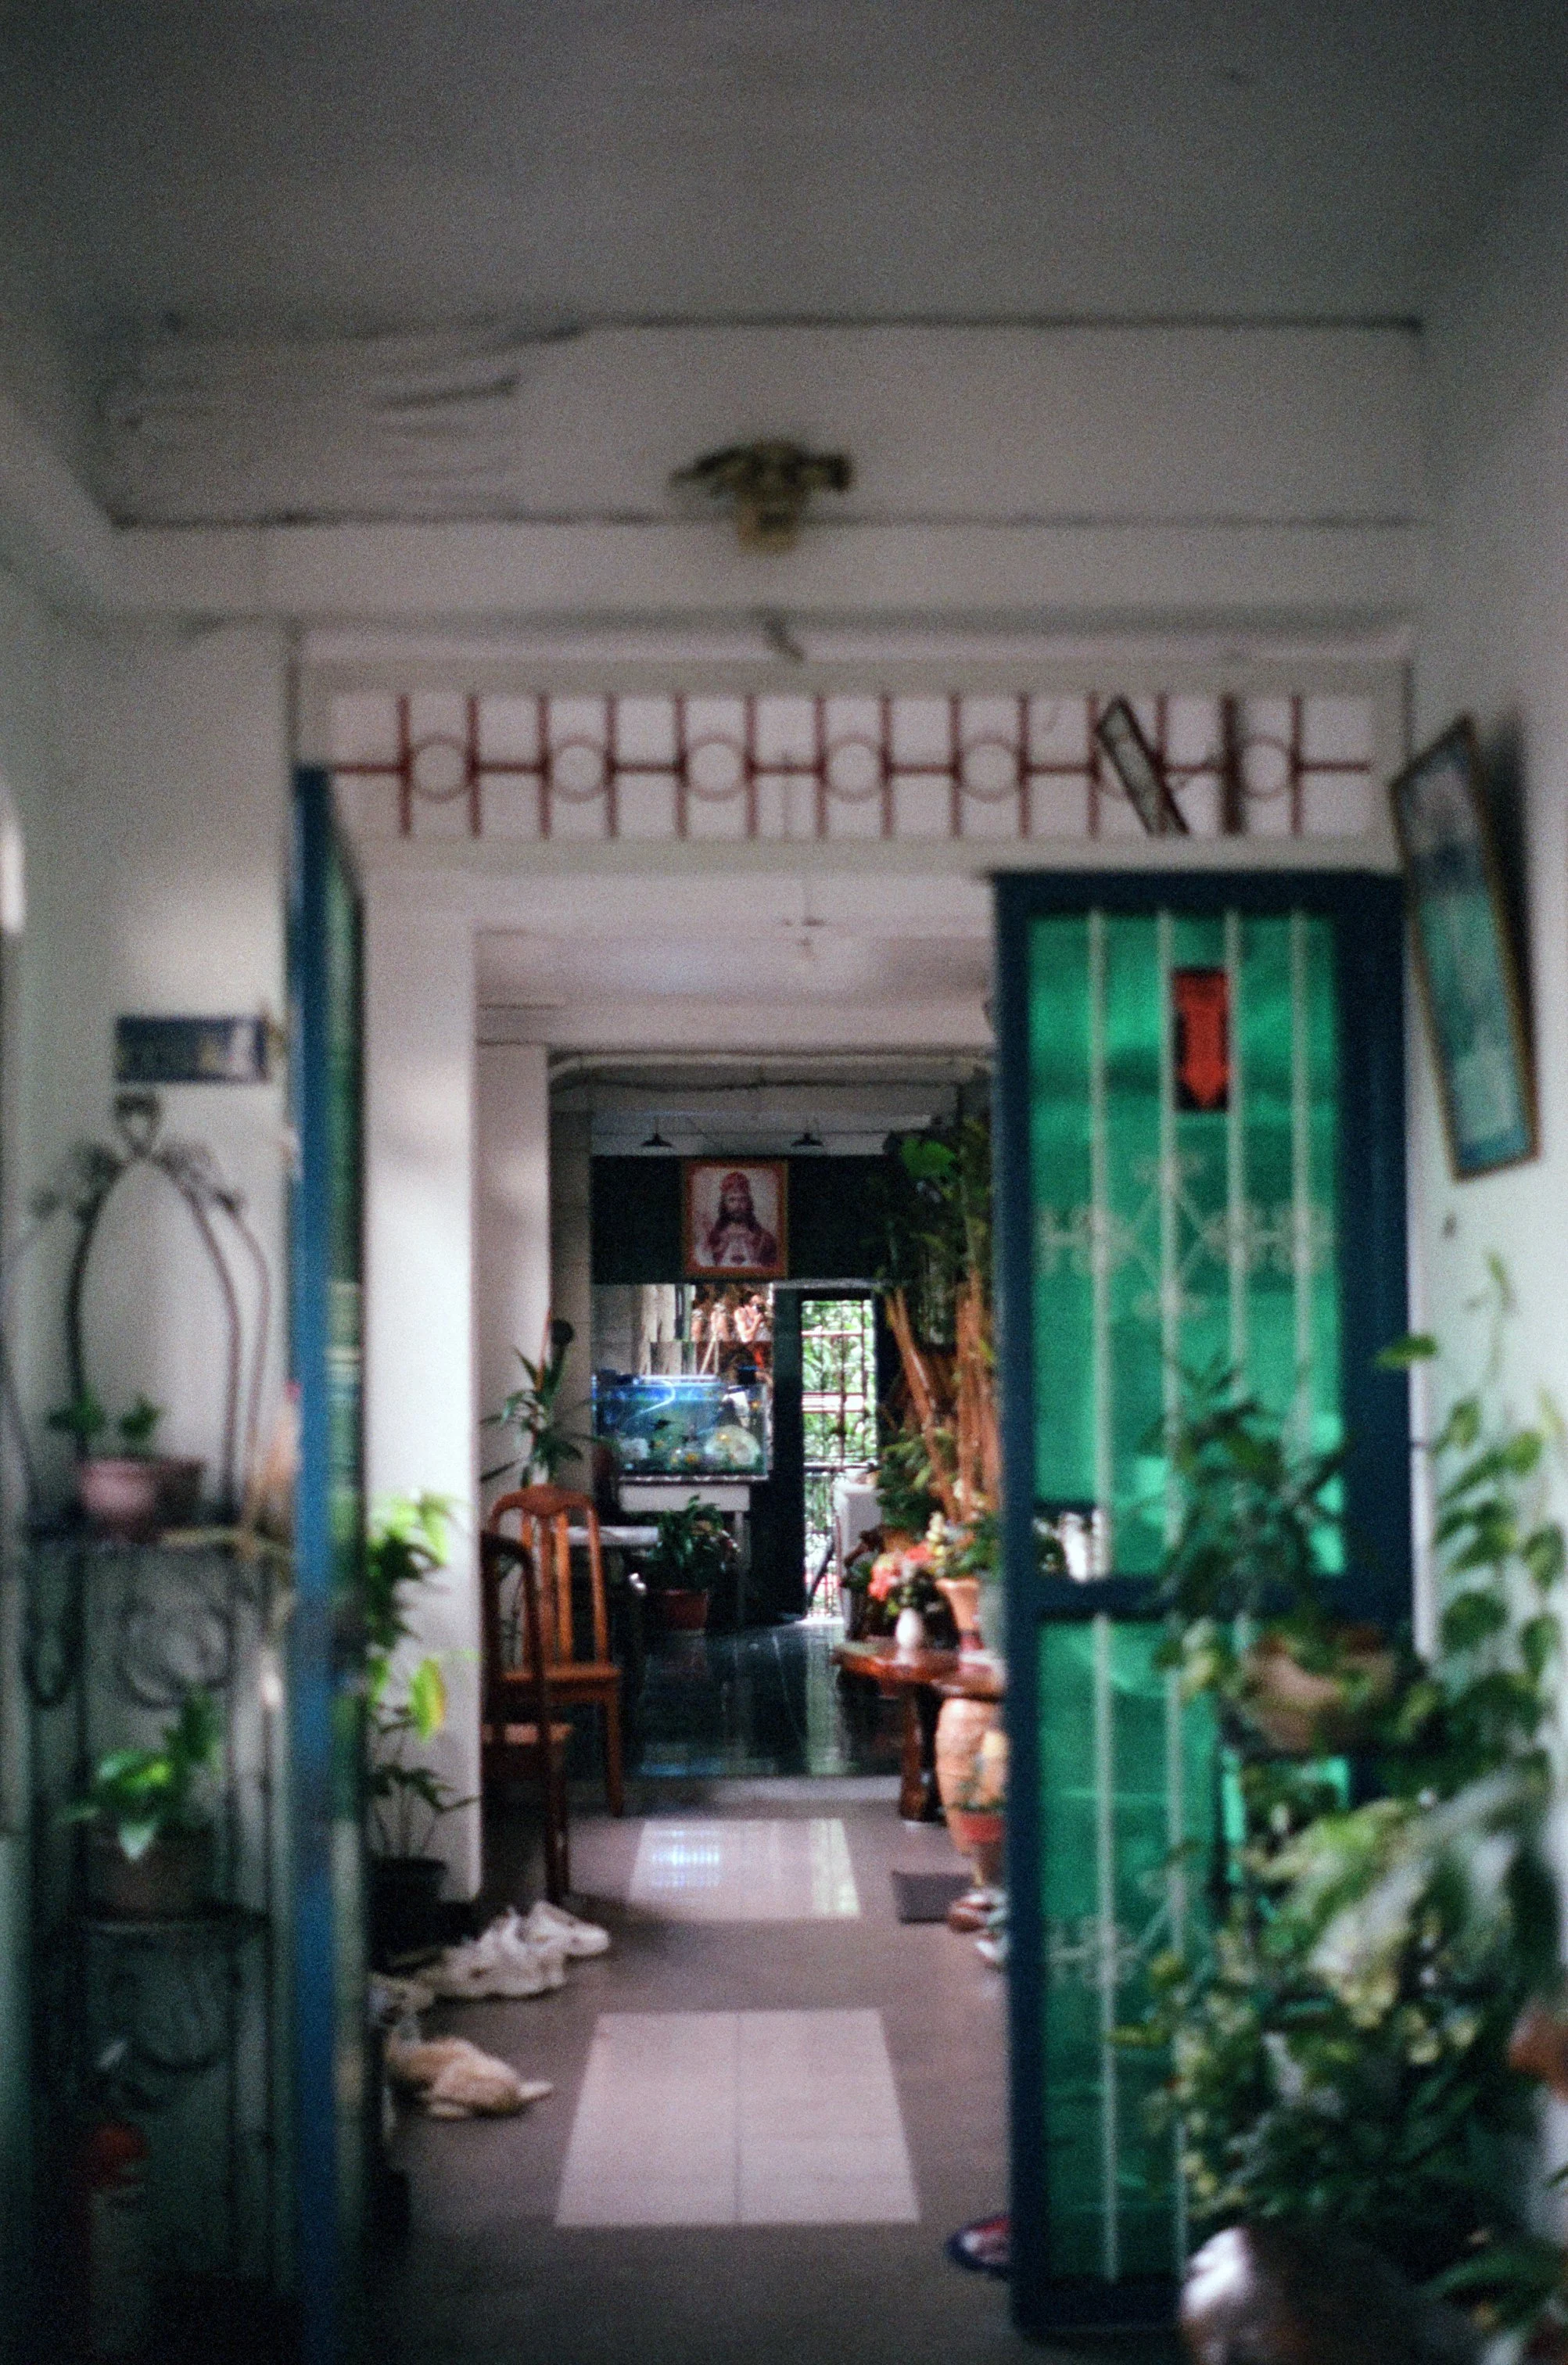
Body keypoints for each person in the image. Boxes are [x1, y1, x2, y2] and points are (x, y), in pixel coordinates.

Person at [701, 1171, 779, 1269]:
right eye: (732, 1200)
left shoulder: (764, 1238)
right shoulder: (713, 1238)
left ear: (749, 1203)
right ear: (724, 1204)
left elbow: (772, 1267)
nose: (737, 1205)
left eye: (742, 1200)